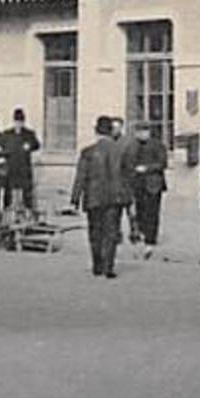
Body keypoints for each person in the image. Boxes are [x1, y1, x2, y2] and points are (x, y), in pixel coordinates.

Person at [70, 115, 131, 278]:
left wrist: (75, 198)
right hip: (115, 197)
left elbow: (81, 176)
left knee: (95, 231)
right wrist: (128, 198)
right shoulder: (121, 151)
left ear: (96, 132)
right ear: (111, 132)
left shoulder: (88, 152)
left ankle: (97, 264)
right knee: (111, 232)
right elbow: (127, 175)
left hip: (94, 196)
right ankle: (108, 266)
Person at [122, 122, 168, 249]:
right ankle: (141, 232)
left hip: (153, 184)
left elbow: (162, 163)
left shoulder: (158, 145)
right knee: (140, 210)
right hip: (137, 184)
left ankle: (151, 238)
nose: (142, 134)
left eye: (145, 131)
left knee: (152, 211)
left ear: (149, 132)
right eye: (139, 132)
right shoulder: (131, 146)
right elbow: (126, 163)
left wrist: (146, 168)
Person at [0, 108, 41, 211]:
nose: (19, 124)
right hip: (11, 166)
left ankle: (28, 209)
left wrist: (29, 145)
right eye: (17, 122)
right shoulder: (7, 134)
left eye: (21, 122)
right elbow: (1, 147)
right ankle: (7, 209)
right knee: (8, 189)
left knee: (27, 189)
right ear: (14, 122)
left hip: (24, 167)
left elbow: (37, 145)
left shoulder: (29, 134)